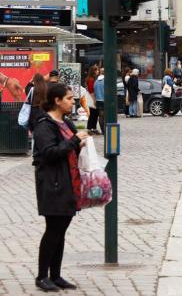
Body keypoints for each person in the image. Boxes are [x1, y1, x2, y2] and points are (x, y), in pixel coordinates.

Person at [32, 83, 89, 292]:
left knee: (61, 231)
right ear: (57, 101)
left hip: (69, 182)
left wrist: (81, 143)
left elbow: (69, 148)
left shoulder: (65, 122)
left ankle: (55, 275)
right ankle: (42, 276)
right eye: (69, 98)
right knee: (53, 231)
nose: (72, 102)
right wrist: (74, 141)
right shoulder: (44, 124)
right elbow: (49, 153)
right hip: (53, 184)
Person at [85, 67, 100, 135]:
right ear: (93, 71)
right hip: (92, 98)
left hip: (92, 97)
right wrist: (94, 100)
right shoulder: (91, 79)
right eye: (96, 70)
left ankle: (93, 128)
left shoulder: (92, 79)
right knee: (93, 114)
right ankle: (91, 128)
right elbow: (91, 91)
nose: (98, 71)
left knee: (94, 114)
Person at [94, 69, 105, 134]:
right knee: (106, 116)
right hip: (105, 100)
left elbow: (95, 92)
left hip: (98, 100)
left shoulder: (96, 81)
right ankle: (106, 130)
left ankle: (102, 130)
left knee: (101, 116)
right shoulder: (106, 81)